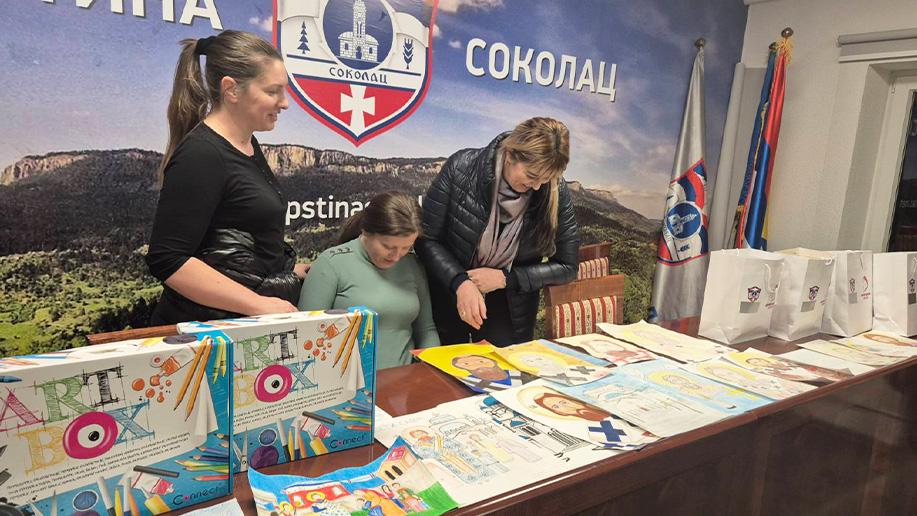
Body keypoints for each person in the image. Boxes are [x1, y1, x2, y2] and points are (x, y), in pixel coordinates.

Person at [146, 31, 308, 324]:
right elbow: (168, 259)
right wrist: (259, 304)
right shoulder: (202, 154)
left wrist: (286, 273)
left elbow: (236, 241)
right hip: (205, 331)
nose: (284, 103)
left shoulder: (247, 144)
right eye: (273, 91)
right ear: (231, 90)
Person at [415, 117, 580, 346]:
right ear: (510, 154)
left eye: (545, 179)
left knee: (503, 368)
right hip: (450, 295)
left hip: (511, 308)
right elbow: (426, 239)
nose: (536, 187)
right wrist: (460, 281)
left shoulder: (555, 189)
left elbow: (567, 267)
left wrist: (506, 279)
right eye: (532, 175)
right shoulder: (461, 168)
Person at [298, 191, 439, 369]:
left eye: (406, 248)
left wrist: (431, 371)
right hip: (347, 381)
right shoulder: (331, 263)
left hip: (405, 379)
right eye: (388, 246)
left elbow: (426, 329)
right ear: (366, 231)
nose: (396, 256)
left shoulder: (412, 265)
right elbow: (306, 335)